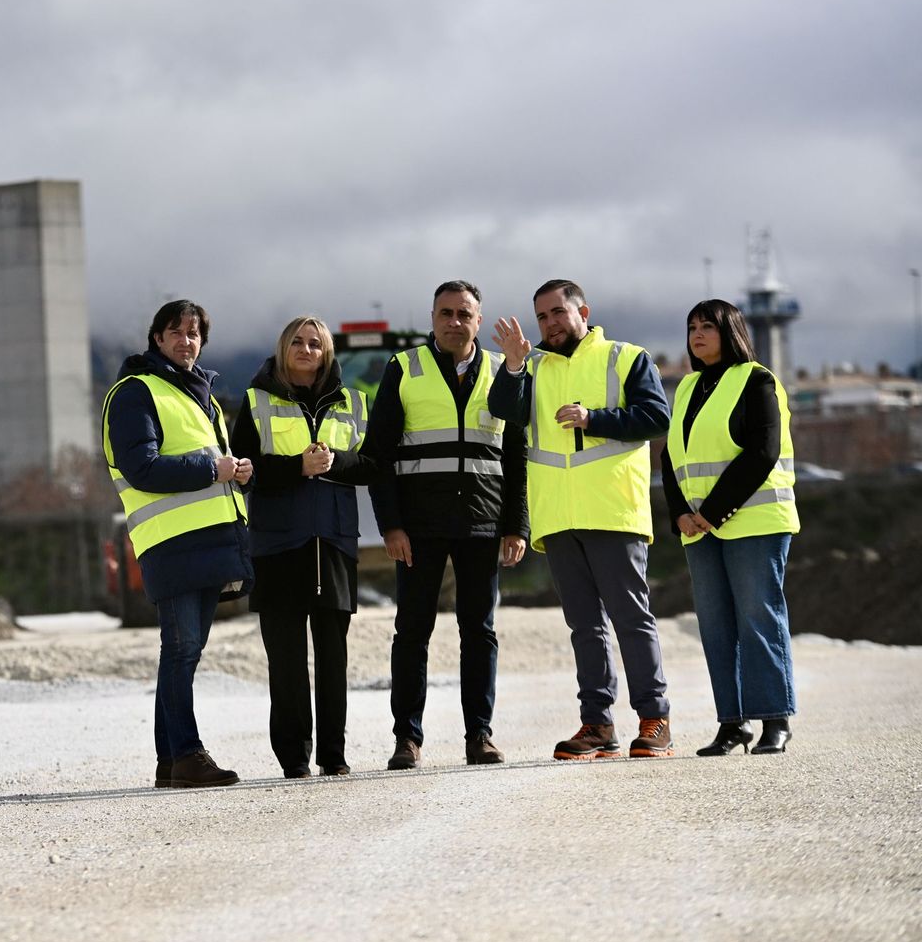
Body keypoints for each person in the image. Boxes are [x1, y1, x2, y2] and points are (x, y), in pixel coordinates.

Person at [489, 279, 675, 759]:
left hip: (613, 510)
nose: (550, 324)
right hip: (559, 518)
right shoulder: (530, 368)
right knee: (585, 628)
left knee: (632, 620)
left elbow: (656, 418)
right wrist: (511, 365)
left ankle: (655, 719)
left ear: (583, 311)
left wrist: (594, 419)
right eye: (542, 317)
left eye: (557, 313)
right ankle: (597, 725)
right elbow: (501, 411)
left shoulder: (625, 357)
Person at [361, 281, 528, 770]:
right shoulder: (404, 368)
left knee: (480, 630)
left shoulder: (503, 370)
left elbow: (515, 452)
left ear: (480, 320)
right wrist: (390, 525)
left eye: (465, 314)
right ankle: (406, 740)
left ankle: (479, 735)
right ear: (432, 318)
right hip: (420, 525)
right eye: (446, 313)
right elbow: (379, 454)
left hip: (482, 520)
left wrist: (516, 524)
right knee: (412, 631)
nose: (455, 322)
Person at [102, 299, 254, 788]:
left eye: (194, 333)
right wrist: (216, 468)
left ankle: (170, 761)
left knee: (184, 651)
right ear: (157, 338)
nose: (187, 341)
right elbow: (140, 467)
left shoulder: (198, 395)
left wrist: (236, 472)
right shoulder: (135, 393)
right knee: (182, 649)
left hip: (208, 540)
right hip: (172, 542)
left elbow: (213, 462)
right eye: (177, 332)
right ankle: (187, 753)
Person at [231, 316, 375, 778]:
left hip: (333, 542)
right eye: (298, 341)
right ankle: (294, 759)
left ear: (327, 352)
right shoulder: (255, 401)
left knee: (333, 658)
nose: (307, 349)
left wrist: (337, 461)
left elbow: (373, 464)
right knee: (287, 662)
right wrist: (298, 468)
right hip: (276, 545)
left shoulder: (354, 401)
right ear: (283, 347)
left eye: (316, 343)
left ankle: (333, 755)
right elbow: (244, 471)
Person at [660, 300, 798, 755]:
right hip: (699, 529)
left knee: (758, 618)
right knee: (717, 628)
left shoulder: (758, 380)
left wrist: (710, 512)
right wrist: (679, 512)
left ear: (731, 331)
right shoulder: (687, 388)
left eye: (708, 327)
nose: (697, 335)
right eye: (691, 327)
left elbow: (763, 451)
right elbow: (670, 456)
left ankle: (775, 719)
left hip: (753, 520)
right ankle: (732, 723)